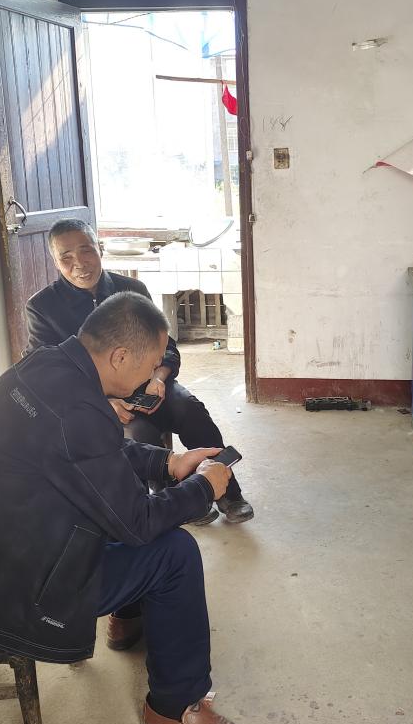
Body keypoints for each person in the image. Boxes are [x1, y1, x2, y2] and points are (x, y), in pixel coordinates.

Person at [0, 293, 251, 724]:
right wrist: (204, 487)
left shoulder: (49, 366)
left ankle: (129, 618)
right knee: (174, 553)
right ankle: (173, 707)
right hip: (9, 591)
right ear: (120, 356)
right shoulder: (78, 411)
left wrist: (167, 463)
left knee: (121, 516)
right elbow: (138, 522)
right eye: (150, 368)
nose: (152, 379)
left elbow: (90, 451)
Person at [25, 219, 253, 525]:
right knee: (140, 434)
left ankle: (228, 491)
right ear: (55, 262)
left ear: (99, 248)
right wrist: (102, 403)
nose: (79, 263)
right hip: (101, 400)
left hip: (150, 384)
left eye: (86, 250)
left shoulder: (131, 290)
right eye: (66, 257)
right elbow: (48, 372)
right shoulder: (43, 307)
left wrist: (159, 377)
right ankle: (180, 499)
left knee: (191, 410)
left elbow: (166, 344)